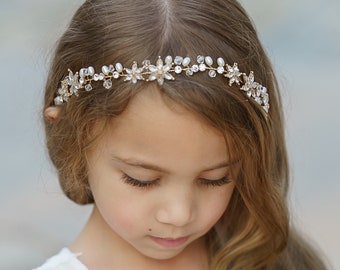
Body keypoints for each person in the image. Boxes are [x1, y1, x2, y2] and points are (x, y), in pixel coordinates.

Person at [34, 0, 328, 269]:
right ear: (71, 136)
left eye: (215, 179)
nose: (179, 214)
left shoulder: (266, 254)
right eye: (142, 180)